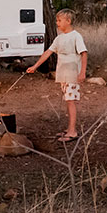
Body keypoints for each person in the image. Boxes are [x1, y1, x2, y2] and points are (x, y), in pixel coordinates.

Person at [26, 9, 87, 143]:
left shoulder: (76, 36)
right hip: (63, 74)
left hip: (72, 74)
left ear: (68, 21)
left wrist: (82, 72)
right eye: (57, 20)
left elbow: (84, 54)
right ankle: (69, 128)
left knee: (71, 102)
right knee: (67, 100)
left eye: (59, 21)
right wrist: (35, 66)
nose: (57, 23)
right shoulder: (59, 38)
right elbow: (48, 52)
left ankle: (73, 131)